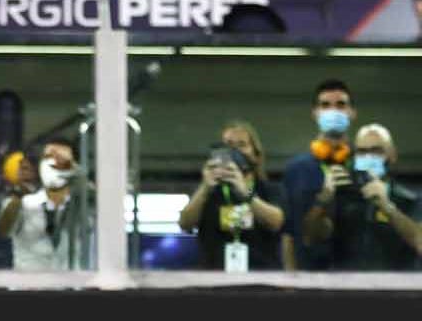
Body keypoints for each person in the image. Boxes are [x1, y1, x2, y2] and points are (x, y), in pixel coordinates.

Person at [301, 123, 422, 270]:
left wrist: (388, 207)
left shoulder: (411, 200)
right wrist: (322, 201)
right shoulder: (341, 197)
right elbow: (310, 238)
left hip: (394, 288)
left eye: (376, 151)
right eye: (362, 152)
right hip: (347, 288)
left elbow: (419, 242)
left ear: (392, 155)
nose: (368, 157)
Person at [178, 120, 285, 272]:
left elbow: (276, 221)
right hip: (214, 277)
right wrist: (205, 188)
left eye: (242, 145)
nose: (234, 151)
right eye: (228, 145)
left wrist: (245, 192)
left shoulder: (269, 189)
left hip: (261, 278)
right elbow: (184, 224)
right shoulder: (208, 190)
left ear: (256, 155)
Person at [281, 79, 356, 270]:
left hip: (355, 275)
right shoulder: (296, 169)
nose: (333, 111)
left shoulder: (361, 166)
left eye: (341, 105)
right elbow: (288, 233)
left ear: (351, 113)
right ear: (315, 114)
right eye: (325, 105)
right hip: (308, 275)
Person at [0, 137, 83, 271]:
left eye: (61, 160)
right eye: (48, 157)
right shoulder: (23, 202)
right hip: (28, 286)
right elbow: (3, 229)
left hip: (72, 285)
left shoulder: (84, 204)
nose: (53, 163)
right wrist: (19, 196)